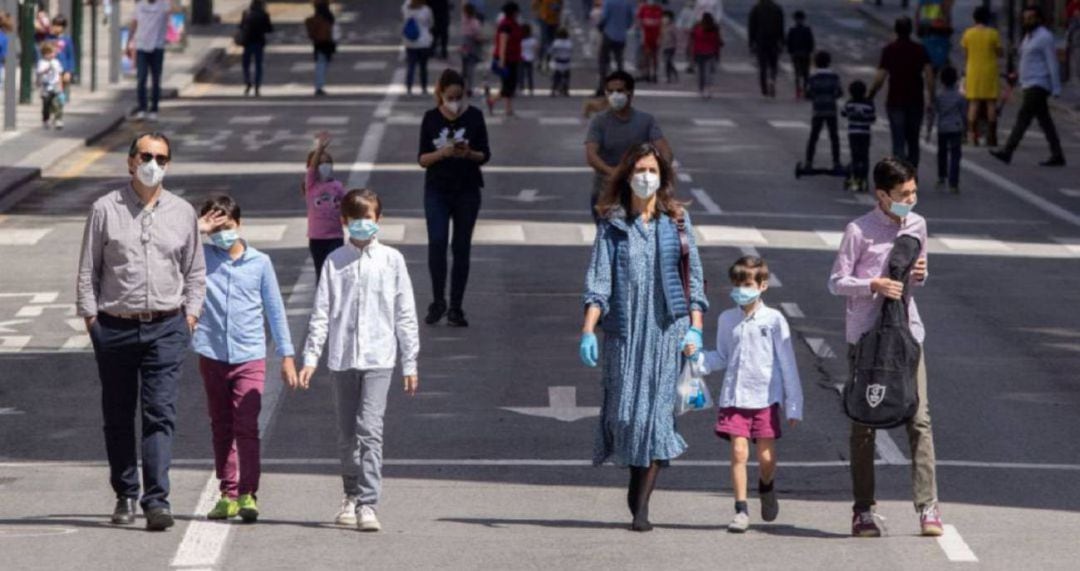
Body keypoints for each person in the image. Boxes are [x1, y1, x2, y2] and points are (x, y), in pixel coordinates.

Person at [77, 132, 207, 531]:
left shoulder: (182, 212)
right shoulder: (105, 209)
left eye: (161, 159)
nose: (153, 165)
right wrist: (93, 321)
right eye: (146, 156)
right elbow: (88, 271)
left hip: (167, 327)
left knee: (160, 414)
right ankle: (125, 493)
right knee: (118, 414)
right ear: (131, 161)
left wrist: (190, 317)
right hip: (114, 327)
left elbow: (195, 271)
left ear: (168, 164)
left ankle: (157, 501)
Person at [580, 143, 709, 532]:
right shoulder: (612, 224)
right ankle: (637, 481)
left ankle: (642, 509)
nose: (646, 177)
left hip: (668, 332)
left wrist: (696, 328)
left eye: (652, 170)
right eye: (639, 170)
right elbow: (599, 282)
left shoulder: (678, 223)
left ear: (663, 177)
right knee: (627, 416)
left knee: (655, 416)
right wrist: (588, 329)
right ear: (627, 176)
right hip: (624, 334)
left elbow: (695, 281)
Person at [828, 156, 942, 539]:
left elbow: (917, 278)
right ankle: (863, 510)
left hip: (907, 334)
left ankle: (928, 506)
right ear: (882, 195)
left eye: (913, 192)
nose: (910, 200)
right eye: (903, 194)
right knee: (864, 423)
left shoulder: (917, 225)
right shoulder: (859, 230)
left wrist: (920, 275)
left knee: (919, 419)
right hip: (867, 339)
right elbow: (836, 281)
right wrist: (872, 285)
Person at [299, 189, 421, 533]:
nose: (362, 225)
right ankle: (350, 494)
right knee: (347, 434)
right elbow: (321, 311)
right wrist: (311, 357)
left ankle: (368, 503)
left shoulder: (392, 260)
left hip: (379, 358)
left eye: (368, 219)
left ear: (378, 219)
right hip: (342, 358)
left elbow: (405, 312)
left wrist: (410, 362)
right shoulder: (335, 261)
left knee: (370, 429)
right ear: (344, 222)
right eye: (355, 220)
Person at [193, 195, 297, 523]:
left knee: (247, 425)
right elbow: (170, 247)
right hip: (211, 353)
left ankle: (248, 493)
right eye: (214, 229)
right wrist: (196, 229)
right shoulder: (199, 257)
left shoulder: (260, 263)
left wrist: (286, 354)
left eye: (226, 226)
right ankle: (228, 494)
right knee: (221, 425)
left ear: (239, 224)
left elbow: (275, 310)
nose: (221, 234)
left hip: (250, 355)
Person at [683, 256, 802, 534]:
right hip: (735, 397)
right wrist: (698, 357)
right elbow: (722, 356)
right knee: (739, 453)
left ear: (762, 286)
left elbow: (787, 363)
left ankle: (766, 486)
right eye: (737, 284)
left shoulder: (774, 320)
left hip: (765, 399)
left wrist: (794, 404)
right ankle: (740, 509)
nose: (740, 290)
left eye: (747, 284)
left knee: (766, 460)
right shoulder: (727, 319)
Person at [419, 69, 491, 327]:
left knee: (461, 247)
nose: (455, 102)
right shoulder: (430, 118)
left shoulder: (474, 117)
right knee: (437, 243)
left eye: (459, 97)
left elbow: (485, 154)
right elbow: (422, 159)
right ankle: (438, 301)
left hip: (467, 190)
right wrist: (442, 153)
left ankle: (456, 307)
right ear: (440, 94)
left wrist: (468, 153)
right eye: (450, 97)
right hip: (437, 190)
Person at [585, 70, 673, 223]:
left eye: (619, 91)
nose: (614, 95)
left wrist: (660, 171)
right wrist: (614, 173)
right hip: (607, 191)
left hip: (639, 190)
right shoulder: (599, 122)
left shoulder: (646, 121)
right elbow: (591, 155)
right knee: (610, 233)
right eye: (610, 91)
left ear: (630, 93)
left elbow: (664, 150)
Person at [990, 7, 1065, 167]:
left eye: (1031, 18)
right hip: (1028, 82)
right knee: (1045, 121)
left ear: (1039, 19)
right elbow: (1027, 60)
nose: (1027, 21)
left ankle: (1008, 151)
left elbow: (1052, 62)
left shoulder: (1044, 37)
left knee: (1023, 118)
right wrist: (1017, 75)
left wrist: (1056, 87)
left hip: (1038, 84)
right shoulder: (1028, 37)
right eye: (1025, 18)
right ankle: (1057, 154)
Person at [868, 17, 934, 167]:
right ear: (911, 30)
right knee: (913, 141)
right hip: (915, 100)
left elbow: (880, 77)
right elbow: (929, 75)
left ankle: (899, 174)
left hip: (895, 100)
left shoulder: (889, 50)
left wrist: (870, 95)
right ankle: (912, 172)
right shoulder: (920, 49)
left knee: (898, 141)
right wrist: (931, 98)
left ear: (896, 30)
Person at [303, 132, 346, 281]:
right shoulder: (311, 186)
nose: (325, 166)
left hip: (336, 237)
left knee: (335, 272)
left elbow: (346, 205)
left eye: (328, 163)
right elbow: (312, 168)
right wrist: (320, 148)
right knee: (321, 272)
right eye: (321, 163)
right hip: (317, 238)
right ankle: (321, 295)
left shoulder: (337, 186)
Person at [960, 6, 1002, 146]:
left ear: (974, 18)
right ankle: (991, 137)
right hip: (990, 71)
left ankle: (972, 136)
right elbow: (999, 53)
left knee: (974, 103)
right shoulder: (993, 34)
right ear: (988, 18)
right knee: (991, 103)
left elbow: (966, 54)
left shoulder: (968, 33)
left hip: (973, 71)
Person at [128, 0, 176, 121]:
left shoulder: (163, 5)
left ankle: (154, 109)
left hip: (157, 47)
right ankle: (142, 109)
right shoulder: (140, 6)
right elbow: (134, 23)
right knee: (141, 79)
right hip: (141, 47)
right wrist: (129, 41)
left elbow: (173, 10)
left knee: (156, 80)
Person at [803, 51, 843, 172]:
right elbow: (839, 92)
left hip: (818, 110)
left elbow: (808, 94)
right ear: (828, 62)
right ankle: (836, 162)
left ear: (816, 62)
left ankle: (808, 162)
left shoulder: (813, 77)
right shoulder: (834, 77)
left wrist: (816, 97)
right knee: (834, 136)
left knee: (813, 136)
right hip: (831, 109)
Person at [486, 2, 525, 116]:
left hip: (513, 58)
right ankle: (493, 100)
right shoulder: (505, 25)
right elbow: (503, 43)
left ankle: (507, 107)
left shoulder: (513, 24)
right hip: (506, 59)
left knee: (511, 85)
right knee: (507, 85)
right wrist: (502, 61)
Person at [934, 66, 965, 193]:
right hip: (956, 127)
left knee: (942, 153)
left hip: (942, 127)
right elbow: (963, 113)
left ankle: (942, 176)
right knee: (955, 155)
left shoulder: (939, 96)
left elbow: (935, 111)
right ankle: (954, 182)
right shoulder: (960, 96)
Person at [841, 80, 876, 193]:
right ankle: (864, 179)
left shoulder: (850, 103)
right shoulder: (868, 104)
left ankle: (856, 179)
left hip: (853, 133)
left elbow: (843, 113)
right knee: (864, 156)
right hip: (865, 133)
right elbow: (872, 118)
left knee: (855, 156)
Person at [748, 0, 784, 97]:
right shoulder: (777, 8)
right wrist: (782, 41)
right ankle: (772, 80)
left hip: (761, 41)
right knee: (773, 65)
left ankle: (764, 88)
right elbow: (781, 26)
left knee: (762, 66)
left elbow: (751, 27)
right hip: (774, 40)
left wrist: (751, 43)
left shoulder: (756, 8)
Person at [239, 0, 274, 97]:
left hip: (247, 42)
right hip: (259, 42)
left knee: (246, 64)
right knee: (258, 65)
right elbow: (269, 29)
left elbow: (241, 26)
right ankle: (257, 86)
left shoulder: (246, 13)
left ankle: (247, 81)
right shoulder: (264, 15)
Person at [597, 0, 634, 83]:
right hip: (621, 36)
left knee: (603, 59)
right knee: (619, 60)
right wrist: (624, 27)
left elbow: (604, 17)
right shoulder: (627, 3)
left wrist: (600, 26)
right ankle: (621, 81)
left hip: (608, 34)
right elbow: (630, 19)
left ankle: (602, 83)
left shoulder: (608, 2)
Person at [403, 0, 435, 96]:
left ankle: (409, 87)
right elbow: (431, 23)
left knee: (411, 66)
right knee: (423, 66)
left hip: (410, 42)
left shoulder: (407, 9)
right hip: (424, 42)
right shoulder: (426, 10)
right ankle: (424, 87)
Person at [307, 0, 336, 96]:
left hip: (318, 43)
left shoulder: (315, 18)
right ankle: (319, 86)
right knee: (323, 64)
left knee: (320, 64)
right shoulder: (329, 17)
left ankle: (319, 85)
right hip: (326, 42)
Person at [915, 0, 953, 72]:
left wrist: (917, 27)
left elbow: (917, 13)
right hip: (938, 28)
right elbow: (946, 14)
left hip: (927, 27)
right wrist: (948, 27)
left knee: (927, 50)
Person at [691, 13, 722, 98]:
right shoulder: (714, 29)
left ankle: (701, 89)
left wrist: (693, 55)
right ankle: (708, 89)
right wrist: (717, 55)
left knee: (700, 73)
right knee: (708, 73)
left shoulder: (697, 28)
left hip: (699, 53)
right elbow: (717, 43)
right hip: (710, 53)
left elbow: (694, 41)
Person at [36, 42, 65, 130]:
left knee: (58, 103)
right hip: (46, 85)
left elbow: (59, 73)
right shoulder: (41, 62)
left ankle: (58, 119)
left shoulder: (56, 62)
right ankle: (46, 119)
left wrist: (61, 85)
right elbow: (40, 72)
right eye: (48, 53)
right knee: (46, 104)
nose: (50, 55)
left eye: (52, 53)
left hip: (55, 84)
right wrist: (47, 69)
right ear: (43, 54)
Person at [786, 10, 815, 99]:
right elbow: (811, 42)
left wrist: (790, 52)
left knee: (797, 73)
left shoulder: (792, 30)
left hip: (796, 54)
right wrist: (810, 51)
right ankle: (805, 89)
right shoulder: (807, 30)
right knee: (806, 73)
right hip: (805, 54)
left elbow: (788, 43)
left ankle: (798, 90)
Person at [460, 2, 485, 96]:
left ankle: (462, 86)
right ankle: (469, 88)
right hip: (472, 46)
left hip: (464, 45)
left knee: (464, 68)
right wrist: (484, 40)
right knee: (470, 68)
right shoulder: (475, 22)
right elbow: (477, 36)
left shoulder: (463, 21)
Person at [637, 0, 663, 83]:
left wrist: (660, 37)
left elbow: (661, 24)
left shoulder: (658, 9)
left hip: (655, 37)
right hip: (646, 37)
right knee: (647, 56)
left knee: (655, 57)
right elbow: (638, 20)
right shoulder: (643, 8)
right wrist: (640, 32)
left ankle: (654, 74)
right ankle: (647, 74)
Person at [45, 16, 75, 86]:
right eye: (54, 25)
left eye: (58, 25)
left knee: (61, 89)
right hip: (50, 70)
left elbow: (70, 56)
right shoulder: (48, 38)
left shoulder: (67, 39)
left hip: (63, 69)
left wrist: (68, 71)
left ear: (63, 27)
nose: (55, 27)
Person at [532, 0, 563, 71]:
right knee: (544, 40)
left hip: (554, 20)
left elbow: (560, 4)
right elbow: (535, 4)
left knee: (551, 42)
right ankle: (540, 60)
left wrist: (558, 13)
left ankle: (548, 61)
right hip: (544, 19)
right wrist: (537, 13)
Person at [550, 27, 574, 96]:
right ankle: (566, 90)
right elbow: (571, 51)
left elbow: (552, 51)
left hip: (558, 61)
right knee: (566, 77)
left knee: (556, 77)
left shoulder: (556, 42)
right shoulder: (569, 43)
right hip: (566, 62)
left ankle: (553, 90)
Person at [660, 9, 678, 83]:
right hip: (664, 47)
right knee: (668, 62)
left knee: (668, 61)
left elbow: (676, 37)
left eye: (666, 17)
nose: (665, 19)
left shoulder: (672, 27)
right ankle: (674, 73)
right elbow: (660, 36)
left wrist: (676, 46)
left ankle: (668, 77)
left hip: (671, 47)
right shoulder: (661, 27)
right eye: (664, 17)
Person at [520, 24, 537, 95]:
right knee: (530, 75)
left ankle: (521, 87)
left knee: (521, 74)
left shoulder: (520, 40)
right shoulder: (533, 40)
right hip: (530, 58)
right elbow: (535, 49)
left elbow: (520, 49)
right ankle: (531, 88)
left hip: (522, 57)